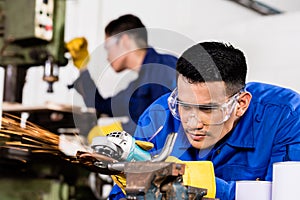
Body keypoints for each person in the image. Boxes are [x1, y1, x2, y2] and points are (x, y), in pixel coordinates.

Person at [109, 41, 300, 199]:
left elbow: (286, 195)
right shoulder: (157, 118)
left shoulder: (285, 116)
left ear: (241, 104)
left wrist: (208, 185)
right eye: (184, 105)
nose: (192, 123)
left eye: (207, 109)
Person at [66, 14, 177, 134]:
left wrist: (121, 129)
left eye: (108, 48)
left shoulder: (166, 67)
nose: (107, 57)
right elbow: (102, 106)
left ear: (124, 41)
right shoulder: (136, 87)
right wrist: (83, 68)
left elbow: (168, 123)